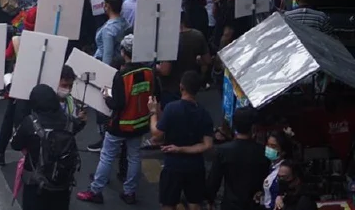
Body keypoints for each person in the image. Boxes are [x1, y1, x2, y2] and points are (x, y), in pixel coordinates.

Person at [77, 34, 151, 204]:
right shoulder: (149, 72)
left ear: (124, 52)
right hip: (140, 123)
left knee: (107, 156)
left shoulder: (122, 76)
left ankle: (96, 190)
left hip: (120, 124)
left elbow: (116, 104)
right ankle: (130, 192)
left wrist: (105, 95)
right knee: (134, 156)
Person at [10, 84, 84, 210]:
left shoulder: (31, 122)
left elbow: (15, 144)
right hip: (62, 183)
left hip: (36, 183)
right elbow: (78, 125)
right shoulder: (69, 121)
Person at [149, 71, 214, 210]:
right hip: (196, 166)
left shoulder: (172, 108)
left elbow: (156, 134)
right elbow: (207, 145)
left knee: (168, 203)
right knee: (194, 202)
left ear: (181, 87)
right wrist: (183, 149)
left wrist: (153, 112)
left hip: (173, 165)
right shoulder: (204, 113)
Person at [205, 106, 267, 210]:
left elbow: (214, 180)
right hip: (255, 204)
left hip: (230, 204)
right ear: (253, 127)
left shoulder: (223, 151)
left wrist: (209, 200)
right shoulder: (262, 152)